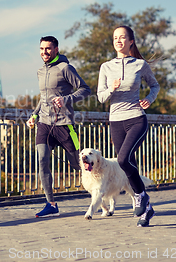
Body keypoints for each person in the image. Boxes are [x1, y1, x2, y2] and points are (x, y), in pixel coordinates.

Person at [97, 25, 160, 227]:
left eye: (122, 37)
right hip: (116, 120)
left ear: (130, 41)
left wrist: (149, 99)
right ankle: (146, 210)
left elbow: (155, 85)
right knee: (126, 163)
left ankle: (141, 196)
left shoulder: (140, 65)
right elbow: (100, 98)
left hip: (136, 118)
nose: (118, 40)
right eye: (115, 37)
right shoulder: (106, 67)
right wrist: (111, 89)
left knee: (123, 159)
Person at [27, 36, 91, 217]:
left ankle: (102, 191)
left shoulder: (66, 68)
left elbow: (85, 89)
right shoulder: (40, 71)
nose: (44, 52)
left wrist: (66, 99)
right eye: (41, 49)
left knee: (79, 164)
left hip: (64, 124)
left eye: (48, 48)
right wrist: (34, 115)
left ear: (56, 49)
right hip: (44, 124)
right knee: (42, 160)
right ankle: (51, 204)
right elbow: (43, 98)